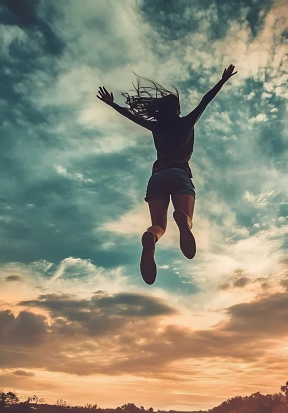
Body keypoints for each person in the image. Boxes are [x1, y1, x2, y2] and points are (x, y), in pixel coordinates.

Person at [97, 65, 237, 284]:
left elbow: (130, 116)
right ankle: (183, 220)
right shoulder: (186, 122)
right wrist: (222, 80)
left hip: (157, 178)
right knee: (186, 216)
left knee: (159, 226)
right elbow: (205, 100)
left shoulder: (156, 127)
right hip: (180, 175)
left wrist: (112, 103)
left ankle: (151, 236)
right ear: (177, 109)